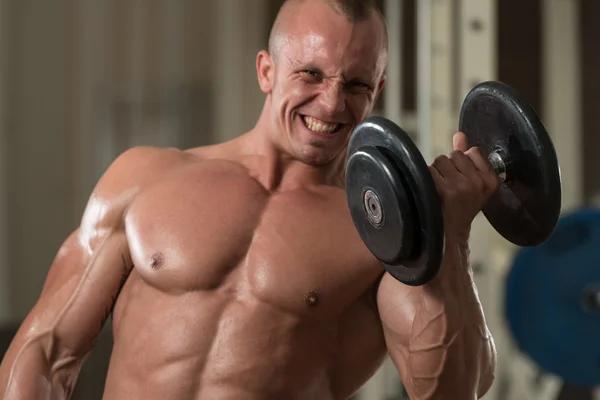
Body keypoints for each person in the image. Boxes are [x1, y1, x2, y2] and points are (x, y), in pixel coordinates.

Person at [0, 0, 498, 398]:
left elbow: (455, 393)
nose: (330, 102)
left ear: (378, 90)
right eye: (310, 74)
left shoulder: (383, 232)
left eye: (355, 84)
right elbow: (47, 350)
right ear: (266, 70)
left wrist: (449, 238)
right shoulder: (146, 177)